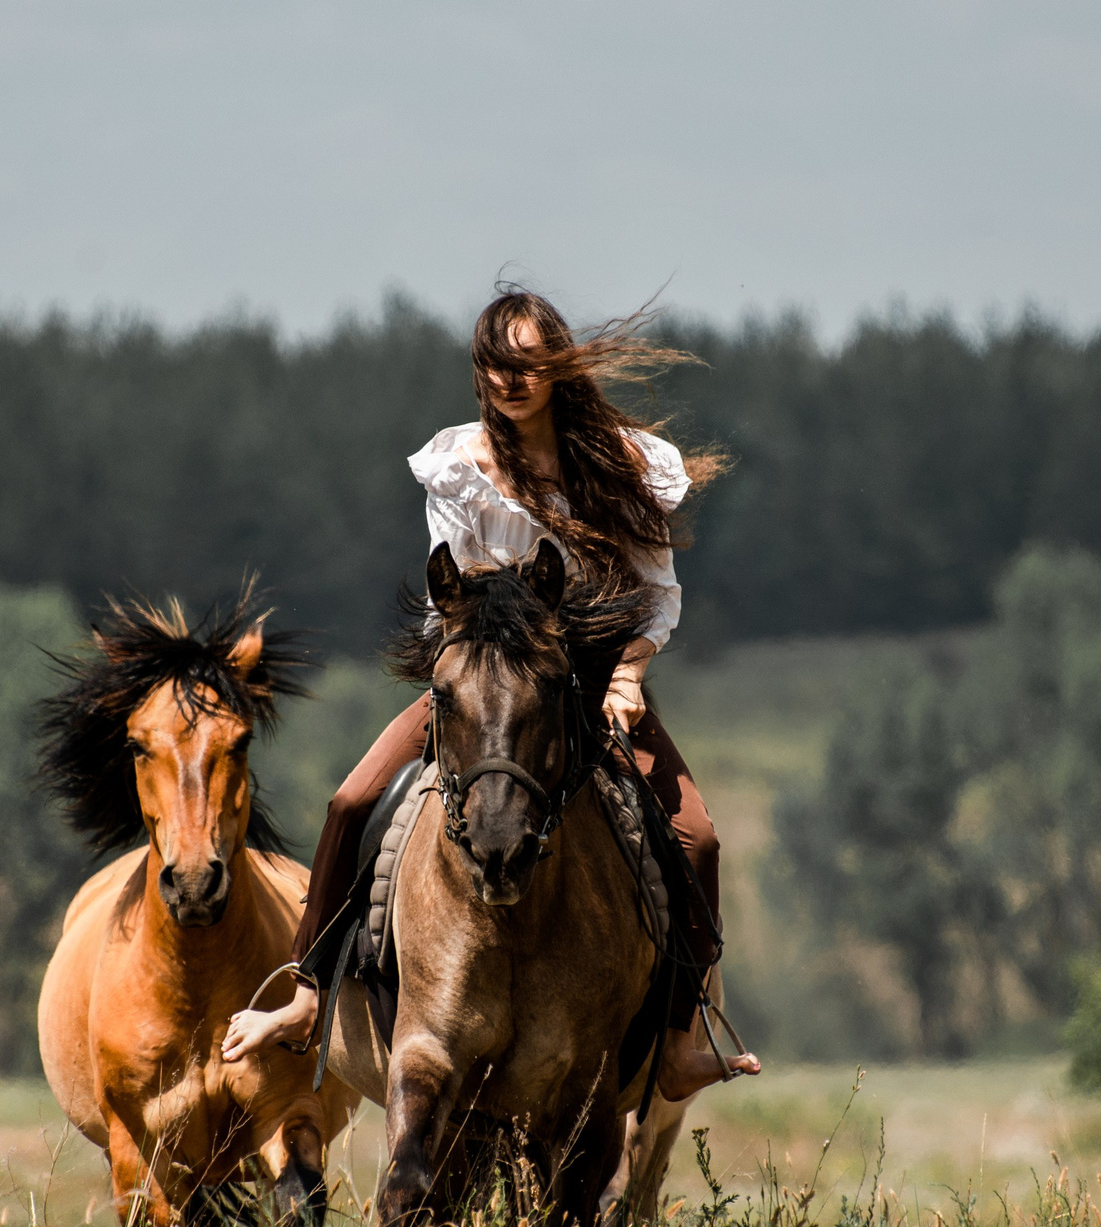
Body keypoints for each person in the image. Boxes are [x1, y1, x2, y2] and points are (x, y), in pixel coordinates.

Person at [220, 289, 758, 1098]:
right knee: (351, 800)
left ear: (556, 369)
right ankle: (305, 994)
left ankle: (681, 1039)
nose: (513, 379)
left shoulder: (618, 463)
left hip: (592, 680)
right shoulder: (456, 466)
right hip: (485, 676)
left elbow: (658, 592)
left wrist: (628, 674)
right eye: (497, 364)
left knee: (698, 840)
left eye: (530, 363)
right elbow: (457, 591)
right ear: (480, 373)